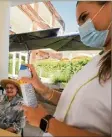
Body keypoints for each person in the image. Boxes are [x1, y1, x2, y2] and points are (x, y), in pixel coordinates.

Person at [21, 1, 111, 136]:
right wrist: (43, 89)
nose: (82, 29)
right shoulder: (98, 60)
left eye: (84, 17)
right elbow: (76, 102)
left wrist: (45, 121)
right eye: (79, 25)